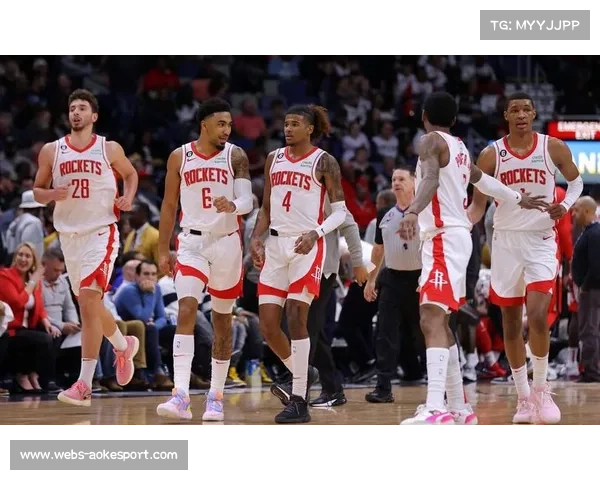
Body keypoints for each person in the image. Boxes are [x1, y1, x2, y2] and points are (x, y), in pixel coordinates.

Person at [397, 92, 547, 425]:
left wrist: (412, 211)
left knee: (430, 317)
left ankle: (434, 408)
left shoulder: (431, 141)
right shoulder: (461, 148)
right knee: (441, 320)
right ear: (454, 119)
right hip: (456, 237)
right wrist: (517, 197)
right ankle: (459, 408)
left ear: (424, 116)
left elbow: (431, 180)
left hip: (443, 237)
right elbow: (483, 181)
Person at [468, 91, 583, 424]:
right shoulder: (491, 154)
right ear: (506, 115)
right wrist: (457, 225)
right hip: (505, 242)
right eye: (514, 110)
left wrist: (565, 205)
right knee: (509, 322)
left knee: (536, 315)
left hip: (540, 240)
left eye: (526, 110)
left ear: (534, 114)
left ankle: (542, 389)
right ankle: (523, 398)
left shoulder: (553, 147)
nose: (520, 114)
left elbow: (576, 183)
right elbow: (477, 206)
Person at [32, 89, 140, 406]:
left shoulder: (108, 148)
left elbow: (131, 174)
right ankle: (122, 345)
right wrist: (52, 195)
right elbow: (37, 190)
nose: (76, 113)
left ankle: (84, 384)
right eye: (72, 108)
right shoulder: (52, 151)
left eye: (82, 108)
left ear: (94, 116)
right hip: (69, 237)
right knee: (91, 305)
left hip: (100, 231)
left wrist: (127, 197)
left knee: (90, 301)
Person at [155, 98, 253, 421]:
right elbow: (169, 205)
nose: (226, 130)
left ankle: (215, 396)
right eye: (221, 124)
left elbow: (247, 200)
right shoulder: (179, 157)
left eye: (229, 125)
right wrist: (163, 248)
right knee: (186, 308)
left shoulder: (235, 155)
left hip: (226, 243)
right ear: (204, 125)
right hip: (191, 243)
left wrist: (233, 206)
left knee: (222, 320)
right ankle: (180, 395)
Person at [250, 104, 348, 424]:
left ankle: (299, 400)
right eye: (286, 123)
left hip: (306, 244)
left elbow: (340, 212)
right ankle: (303, 372)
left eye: (295, 124)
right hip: (275, 245)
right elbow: (266, 207)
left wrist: (315, 233)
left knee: (296, 315)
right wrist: (256, 237)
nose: (288, 129)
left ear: (310, 129)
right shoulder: (273, 158)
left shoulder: (324, 161)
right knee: (268, 325)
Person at [364, 167, 425, 403]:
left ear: (414, 183)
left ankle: (440, 385)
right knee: (385, 335)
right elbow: (378, 250)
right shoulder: (384, 214)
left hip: (420, 280)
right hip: (392, 280)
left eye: (402, 179)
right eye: (393, 179)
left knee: (425, 334)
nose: (396, 182)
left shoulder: (425, 212)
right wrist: (371, 279)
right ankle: (383, 388)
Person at [571, 196, 600, 382]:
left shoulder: (594, 233)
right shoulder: (589, 232)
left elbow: (596, 266)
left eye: (577, 210)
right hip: (591, 289)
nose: (574, 214)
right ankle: (591, 369)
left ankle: (591, 372)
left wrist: (584, 285)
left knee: (589, 331)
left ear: (588, 211)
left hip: (592, 291)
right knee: (590, 330)